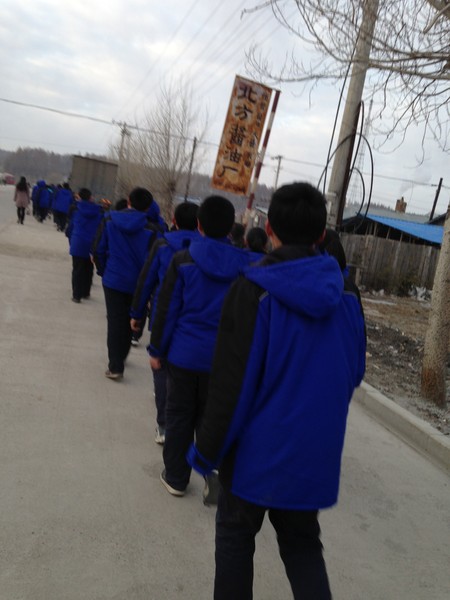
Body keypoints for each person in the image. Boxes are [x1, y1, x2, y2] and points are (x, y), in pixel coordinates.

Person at [187, 182, 366, 599]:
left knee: (235, 538)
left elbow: (230, 387)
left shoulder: (253, 290)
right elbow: (354, 372)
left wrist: (205, 452)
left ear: (270, 231)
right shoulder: (347, 298)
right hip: (313, 454)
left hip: (254, 455)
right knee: (303, 546)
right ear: (321, 234)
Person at [148, 196, 261, 503]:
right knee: (215, 418)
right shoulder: (248, 267)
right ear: (231, 228)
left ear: (199, 225)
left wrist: (156, 349)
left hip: (183, 356)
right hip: (225, 362)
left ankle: (176, 477)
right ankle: (212, 471)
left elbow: (167, 310)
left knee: (179, 415)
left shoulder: (183, 260)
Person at [130, 201, 200, 445]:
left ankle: (164, 425)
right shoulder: (204, 250)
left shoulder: (162, 245)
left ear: (174, 220)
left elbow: (146, 280)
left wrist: (136, 312)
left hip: (163, 312)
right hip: (194, 319)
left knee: (160, 368)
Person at [93, 187, 163, 380]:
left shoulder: (109, 219)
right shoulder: (153, 230)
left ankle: (116, 365)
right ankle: (121, 356)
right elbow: (155, 260)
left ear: (129, 201)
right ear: (148, 207)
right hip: (139, 284)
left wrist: (104, 271)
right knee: (130, 320)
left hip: (114, 279)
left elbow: (98, 249)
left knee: (115, 321)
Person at [66, 188, 104, 303]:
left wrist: (70, 238)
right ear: (90, 197)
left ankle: (77, 295)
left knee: (77, 269)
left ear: (79, 197)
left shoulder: (76, 209)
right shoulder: (99, 211)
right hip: (93, 243)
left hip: (78, 242)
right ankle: (86, 292)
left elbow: (71, 227)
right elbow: (101, 229)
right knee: (89, 268)